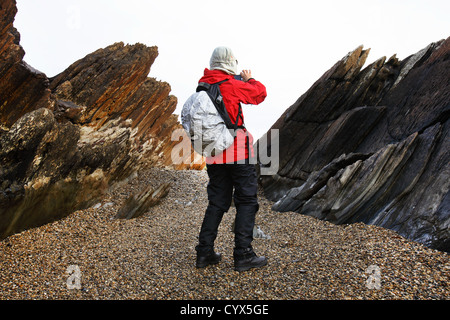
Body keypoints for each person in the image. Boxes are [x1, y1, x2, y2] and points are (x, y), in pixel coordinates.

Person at [195, 46, 268, 272]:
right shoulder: (231, 84)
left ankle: (204, 253)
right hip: (238, 153)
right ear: (230, 64)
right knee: (246, 200)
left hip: (213, 155)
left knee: (217, 201)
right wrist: (249, 78)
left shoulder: (202, 88)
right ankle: (243, 255)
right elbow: (260, 93)